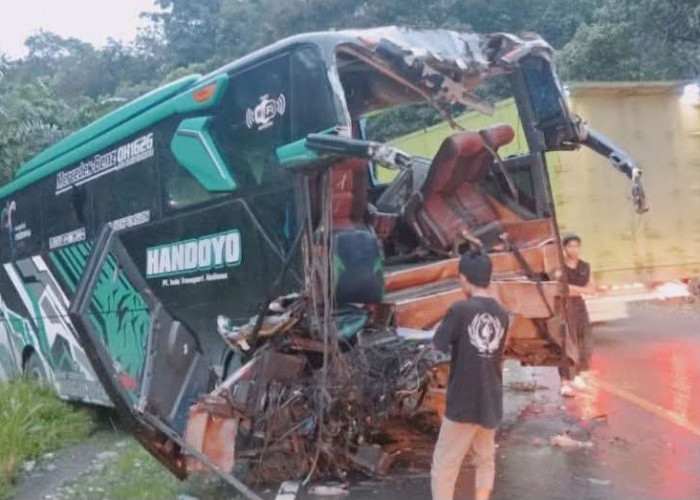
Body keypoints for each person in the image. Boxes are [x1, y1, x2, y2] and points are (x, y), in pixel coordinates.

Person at [431, 250, 510, 500]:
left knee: (445, 464)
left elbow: (438, 344)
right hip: (490, 398)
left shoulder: (460, 310)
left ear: (464, 279)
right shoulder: (502, 313)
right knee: (485, 459)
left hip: (463, 401)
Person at [559, 233, 596, 397]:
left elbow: (592, 288)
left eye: (576, 246)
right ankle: (565, 382)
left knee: (585, 342)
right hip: (563, 307)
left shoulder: (585, 266)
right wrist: (582, 290)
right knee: (566, 344)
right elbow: (561, 288)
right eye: (570, 246)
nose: (573, 249)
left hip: (579, 306)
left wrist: (574, 289)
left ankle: (579, 375)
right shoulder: (559, 267)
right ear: (564, 248)